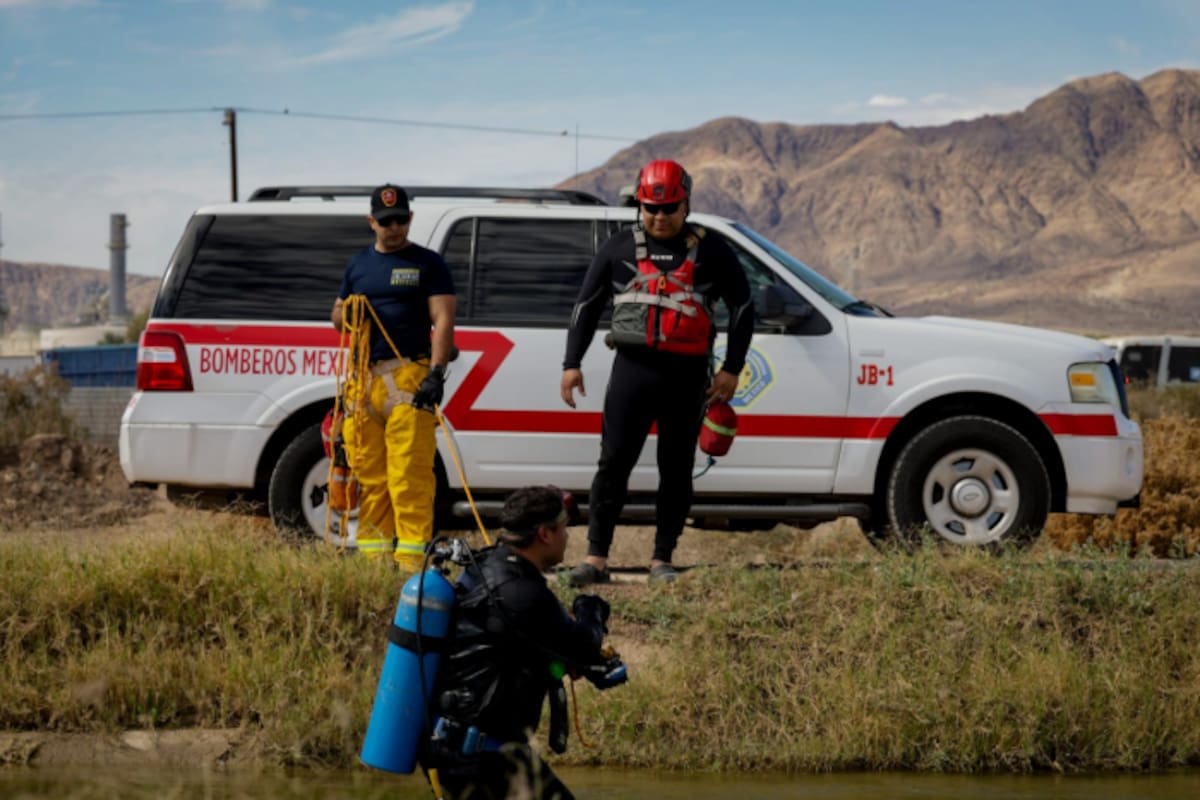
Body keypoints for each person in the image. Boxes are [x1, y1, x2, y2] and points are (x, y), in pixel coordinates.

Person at [560, 159, 754, 586]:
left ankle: (661, 558)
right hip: (633, 373)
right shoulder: (617, 249)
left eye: (670, 208)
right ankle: (596, 558)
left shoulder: (714, 250)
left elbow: (744, 307)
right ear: (640, 205)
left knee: (676, 466)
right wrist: (571, 364)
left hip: (687, 380)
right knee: (613, 463)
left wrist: (732, 369)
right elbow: (585, 308)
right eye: (651, 208)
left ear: (686, 205)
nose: (660, 217)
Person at [421, 486, 617, 800]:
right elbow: (586, 645)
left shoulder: (484, 567)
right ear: (545, 534)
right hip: (482, 759)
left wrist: (558, 664)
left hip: (454, 748)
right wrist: (590, 609)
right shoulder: (522, 592)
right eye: (563, 528)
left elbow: (508, 648)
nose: (567, 537)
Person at [331, 184, 456, 571]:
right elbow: (337, 318)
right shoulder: (357, 266)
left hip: (409, 379)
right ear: (372, 222)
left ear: (410, 219)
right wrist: (350, 313)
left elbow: (443, 318)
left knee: (409, 476)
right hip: (364, 382)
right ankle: (373, 563)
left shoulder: (428, 264)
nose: (394, 227)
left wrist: (436, 375)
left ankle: (410, 568)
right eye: (386, 221)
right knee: (371, 478)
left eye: (401, 219)